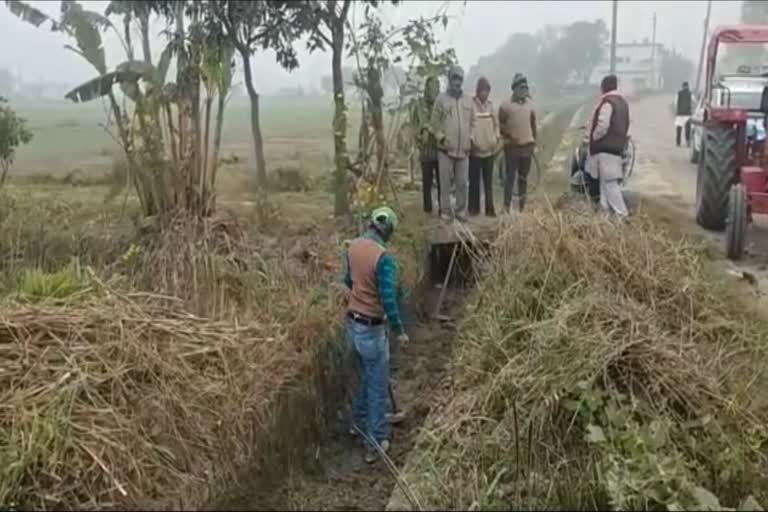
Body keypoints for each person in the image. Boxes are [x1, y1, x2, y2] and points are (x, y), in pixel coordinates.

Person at [342, 206, 410, 464]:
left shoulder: (353, 247)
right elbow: (389, 299)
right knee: (378, 386)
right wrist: (400, 331)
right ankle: (375, 441)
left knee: (366, 379)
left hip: (353, 324)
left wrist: (362, 292)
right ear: (389, 230)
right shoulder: (383, 258)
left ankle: (357, 425)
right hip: (372, 328)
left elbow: (349, 280)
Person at [431, 65, 475, 223]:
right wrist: (441, 138)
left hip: (464, 150)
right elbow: (434, 124)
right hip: (445, 150)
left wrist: (471, 138)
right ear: (450, 80)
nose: (457, 82)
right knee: (445, 183)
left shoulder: (469, 100)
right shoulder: (441, 100)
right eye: (455, 78)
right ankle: (445, 212)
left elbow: (473, 122)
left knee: (462, 183)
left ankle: (461, 211)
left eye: (460, 79)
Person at [587, 74, 630, 219]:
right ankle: (604, 218)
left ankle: (622, 215)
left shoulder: (607, 103)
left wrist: (593, 137)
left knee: (610, 185)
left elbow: (603, 125)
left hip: (605, 149)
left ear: (604, 87)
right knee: (605, 185)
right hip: (617, 148)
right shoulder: (622, 103)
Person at [498, 73, 537, 213]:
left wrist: (534, 143)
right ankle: (506, 207)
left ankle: (522, 207)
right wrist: (509, 134)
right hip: (512, 149)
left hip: (527, 148)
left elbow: (533, 126)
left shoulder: (530, 105)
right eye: (521, 87)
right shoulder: (505, 106)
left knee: (523, 178)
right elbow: (500, 125)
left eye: (525, 88)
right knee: (510, 178)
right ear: (514, 89)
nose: (524, 90)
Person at [469, 77, 499, 217]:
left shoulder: (491, 105)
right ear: (478, 91)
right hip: (475, 151)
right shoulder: (471, 105)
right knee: (474, 182)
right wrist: (471, 139)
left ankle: (490, 209)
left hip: (489, 150)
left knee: (488, 182)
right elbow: (468, 124)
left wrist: (496, 137)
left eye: (487, 91)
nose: (485, 94)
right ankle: (473, 209)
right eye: (483, 91)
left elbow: (496, 124)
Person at [415, 76, 441, 214]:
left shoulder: (441, 103)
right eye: (431, 88)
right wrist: (419, 136)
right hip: (425, 150)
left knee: (442, 182)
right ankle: (427, 210)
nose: (434, 90)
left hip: (439, 149)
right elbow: (416, 123)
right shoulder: (420, 104)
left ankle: (443, 208)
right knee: (427, 182)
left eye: (437, 87)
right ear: (426, 88)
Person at [674, 81, 692, 147]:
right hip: (688, 115)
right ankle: (687, 142)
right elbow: (694, 102)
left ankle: (678, 143)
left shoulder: (678, 93)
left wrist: (677, 111)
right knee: (687, 130)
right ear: (688, 86)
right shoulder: (690, 93)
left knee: (679, 130)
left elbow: (675, 103)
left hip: (680, 115)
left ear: (682, 86)